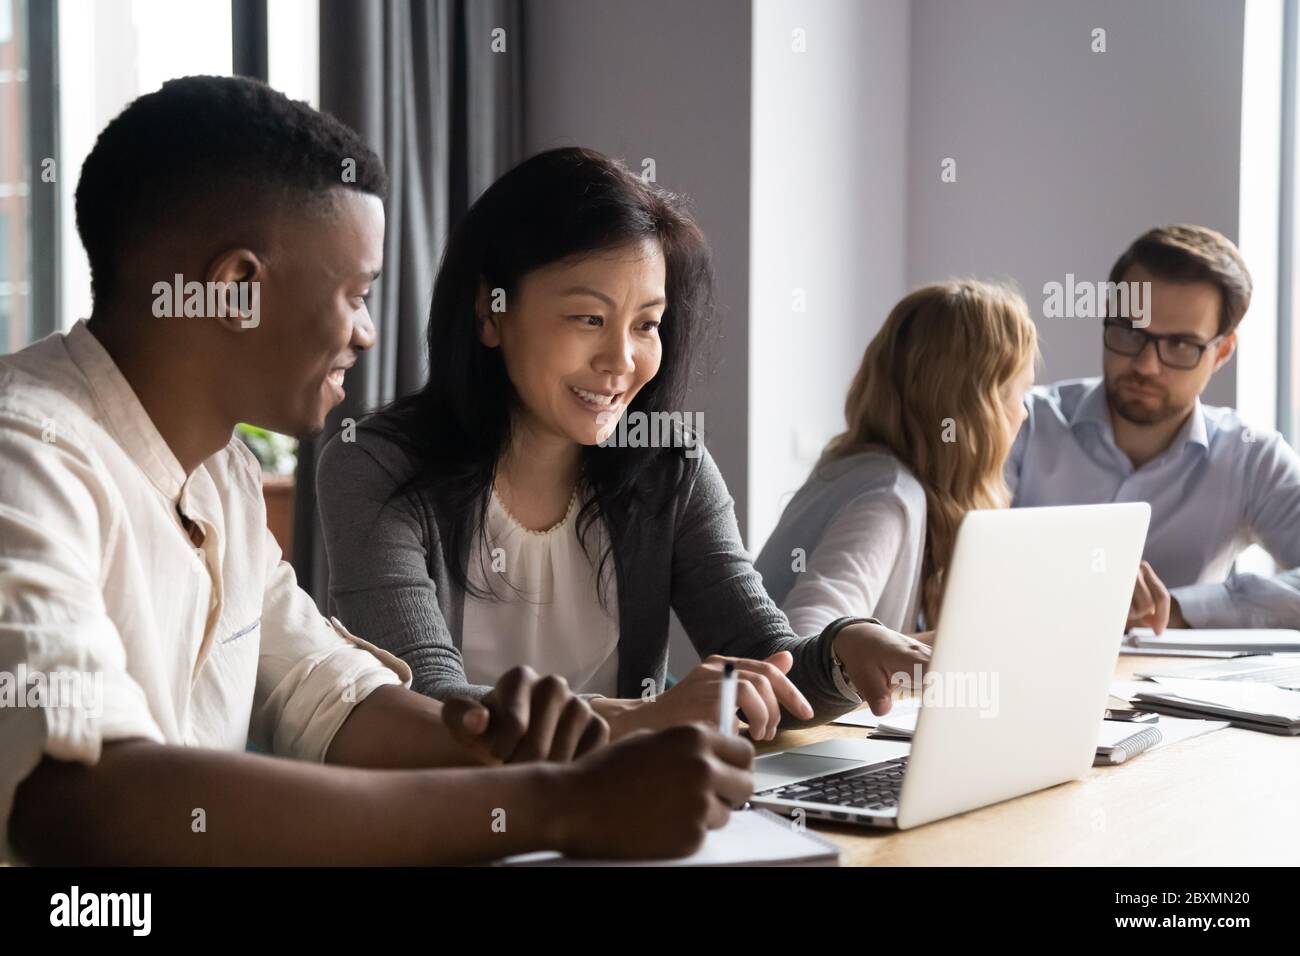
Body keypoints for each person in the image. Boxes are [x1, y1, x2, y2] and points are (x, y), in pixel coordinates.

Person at [0, 76, 753, 866]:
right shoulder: (29, 453)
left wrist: (533, 747)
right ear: (234, 289)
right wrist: (559, 805)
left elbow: (330, 697)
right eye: (357, 294)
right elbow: (79, 802)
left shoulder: (219, 474)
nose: (366, 334)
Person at [317, 146, 931, 734]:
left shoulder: (670, 466)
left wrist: (847, 650)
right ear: (490, 312)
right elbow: (428, 703)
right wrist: (645, 719)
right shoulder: (375, 465)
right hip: (448, 826)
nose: (622, 359)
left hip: (622, 819)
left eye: (646, 325)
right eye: (589, 318)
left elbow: (768, 663)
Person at [1009, 225, 1300, 629]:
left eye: (1181, 345)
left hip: (1176, 689)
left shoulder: (1252, 457)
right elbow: (951, 572)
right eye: (1130, 332)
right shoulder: (1023, 423)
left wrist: (1178, 609)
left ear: (1222, 353)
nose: (1146, 365)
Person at [756, 280, 1037, 636]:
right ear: (976, 407)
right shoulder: (887, 496)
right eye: (1019, 392)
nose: (1024, 413)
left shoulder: (858, 471)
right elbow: (807, 636)